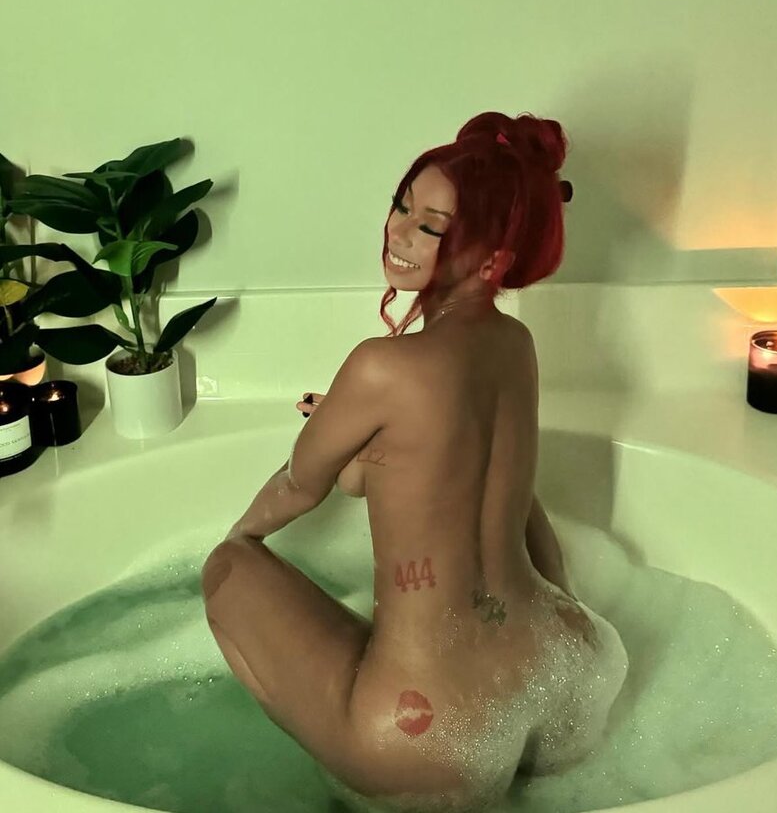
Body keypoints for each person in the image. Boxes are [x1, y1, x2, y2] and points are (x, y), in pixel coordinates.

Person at [201, 111, 629, 813]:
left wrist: (239, 537)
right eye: (401, 207)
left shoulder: (382, 368)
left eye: (431, 228)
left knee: (226, 571)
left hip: (428, 728)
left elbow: (300, 485)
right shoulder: (516, 346)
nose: (398, 233)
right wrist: (569, 604)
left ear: (493, 258)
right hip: (565, 672)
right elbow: (509, 493)